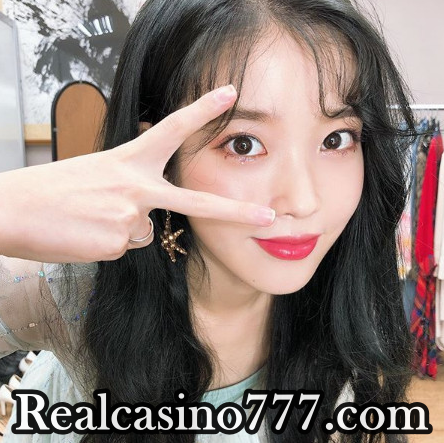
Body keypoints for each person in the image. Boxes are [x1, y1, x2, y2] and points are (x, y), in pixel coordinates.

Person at [0, 0, 417, 442]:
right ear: (163, 160)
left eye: (336, 139)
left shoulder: (345, 300)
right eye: (243, 144)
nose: (303, 200)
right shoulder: (78, 292)